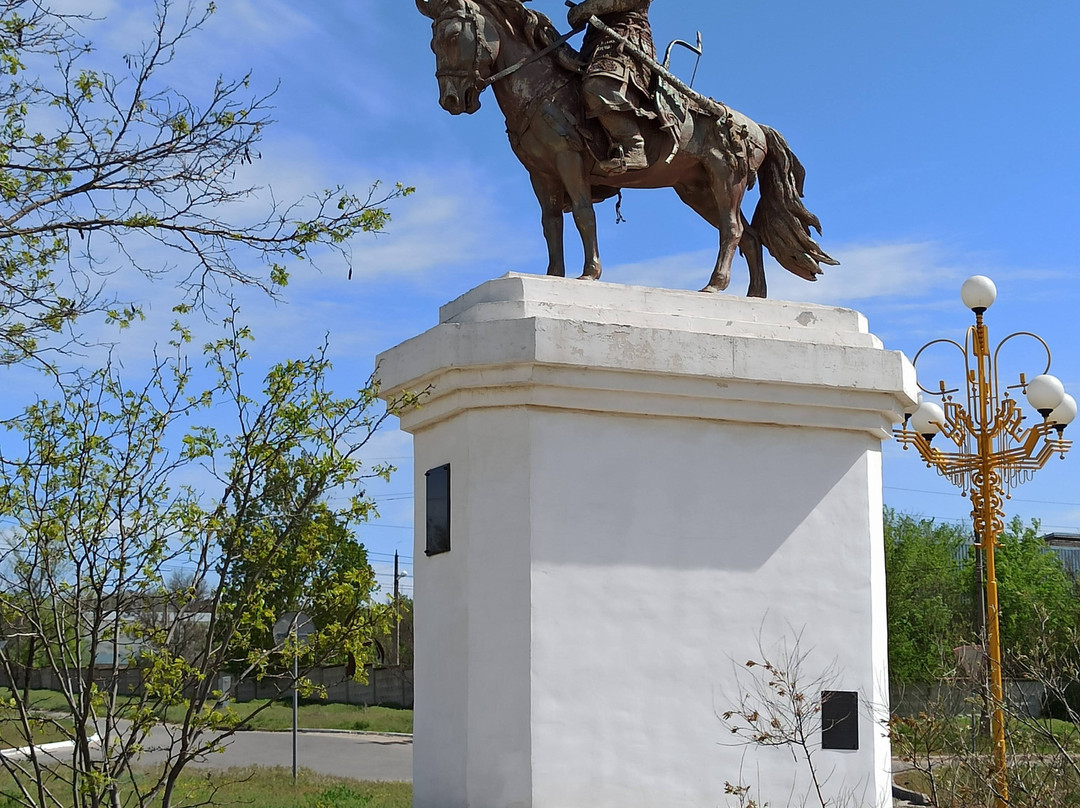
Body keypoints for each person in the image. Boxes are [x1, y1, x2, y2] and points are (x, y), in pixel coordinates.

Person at [567, 0, 656, 175]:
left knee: (598, 86)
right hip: (593, 48)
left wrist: (582, 10)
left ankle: (633, 146)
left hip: (625, 43)